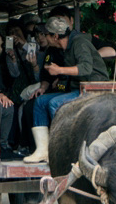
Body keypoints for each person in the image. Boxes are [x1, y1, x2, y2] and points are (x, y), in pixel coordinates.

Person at [20, 15, 86, 162]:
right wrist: (46, 84)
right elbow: (47, 75)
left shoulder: (78, 42)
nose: (42, 38)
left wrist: (60, 71)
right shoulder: (57, 49)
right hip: (70, 87)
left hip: (87, 88)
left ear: (55, 36)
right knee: (39, 102)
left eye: (46, 35)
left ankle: (62, 150)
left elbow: (86, 68)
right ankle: (43, 151)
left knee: (54, 103)